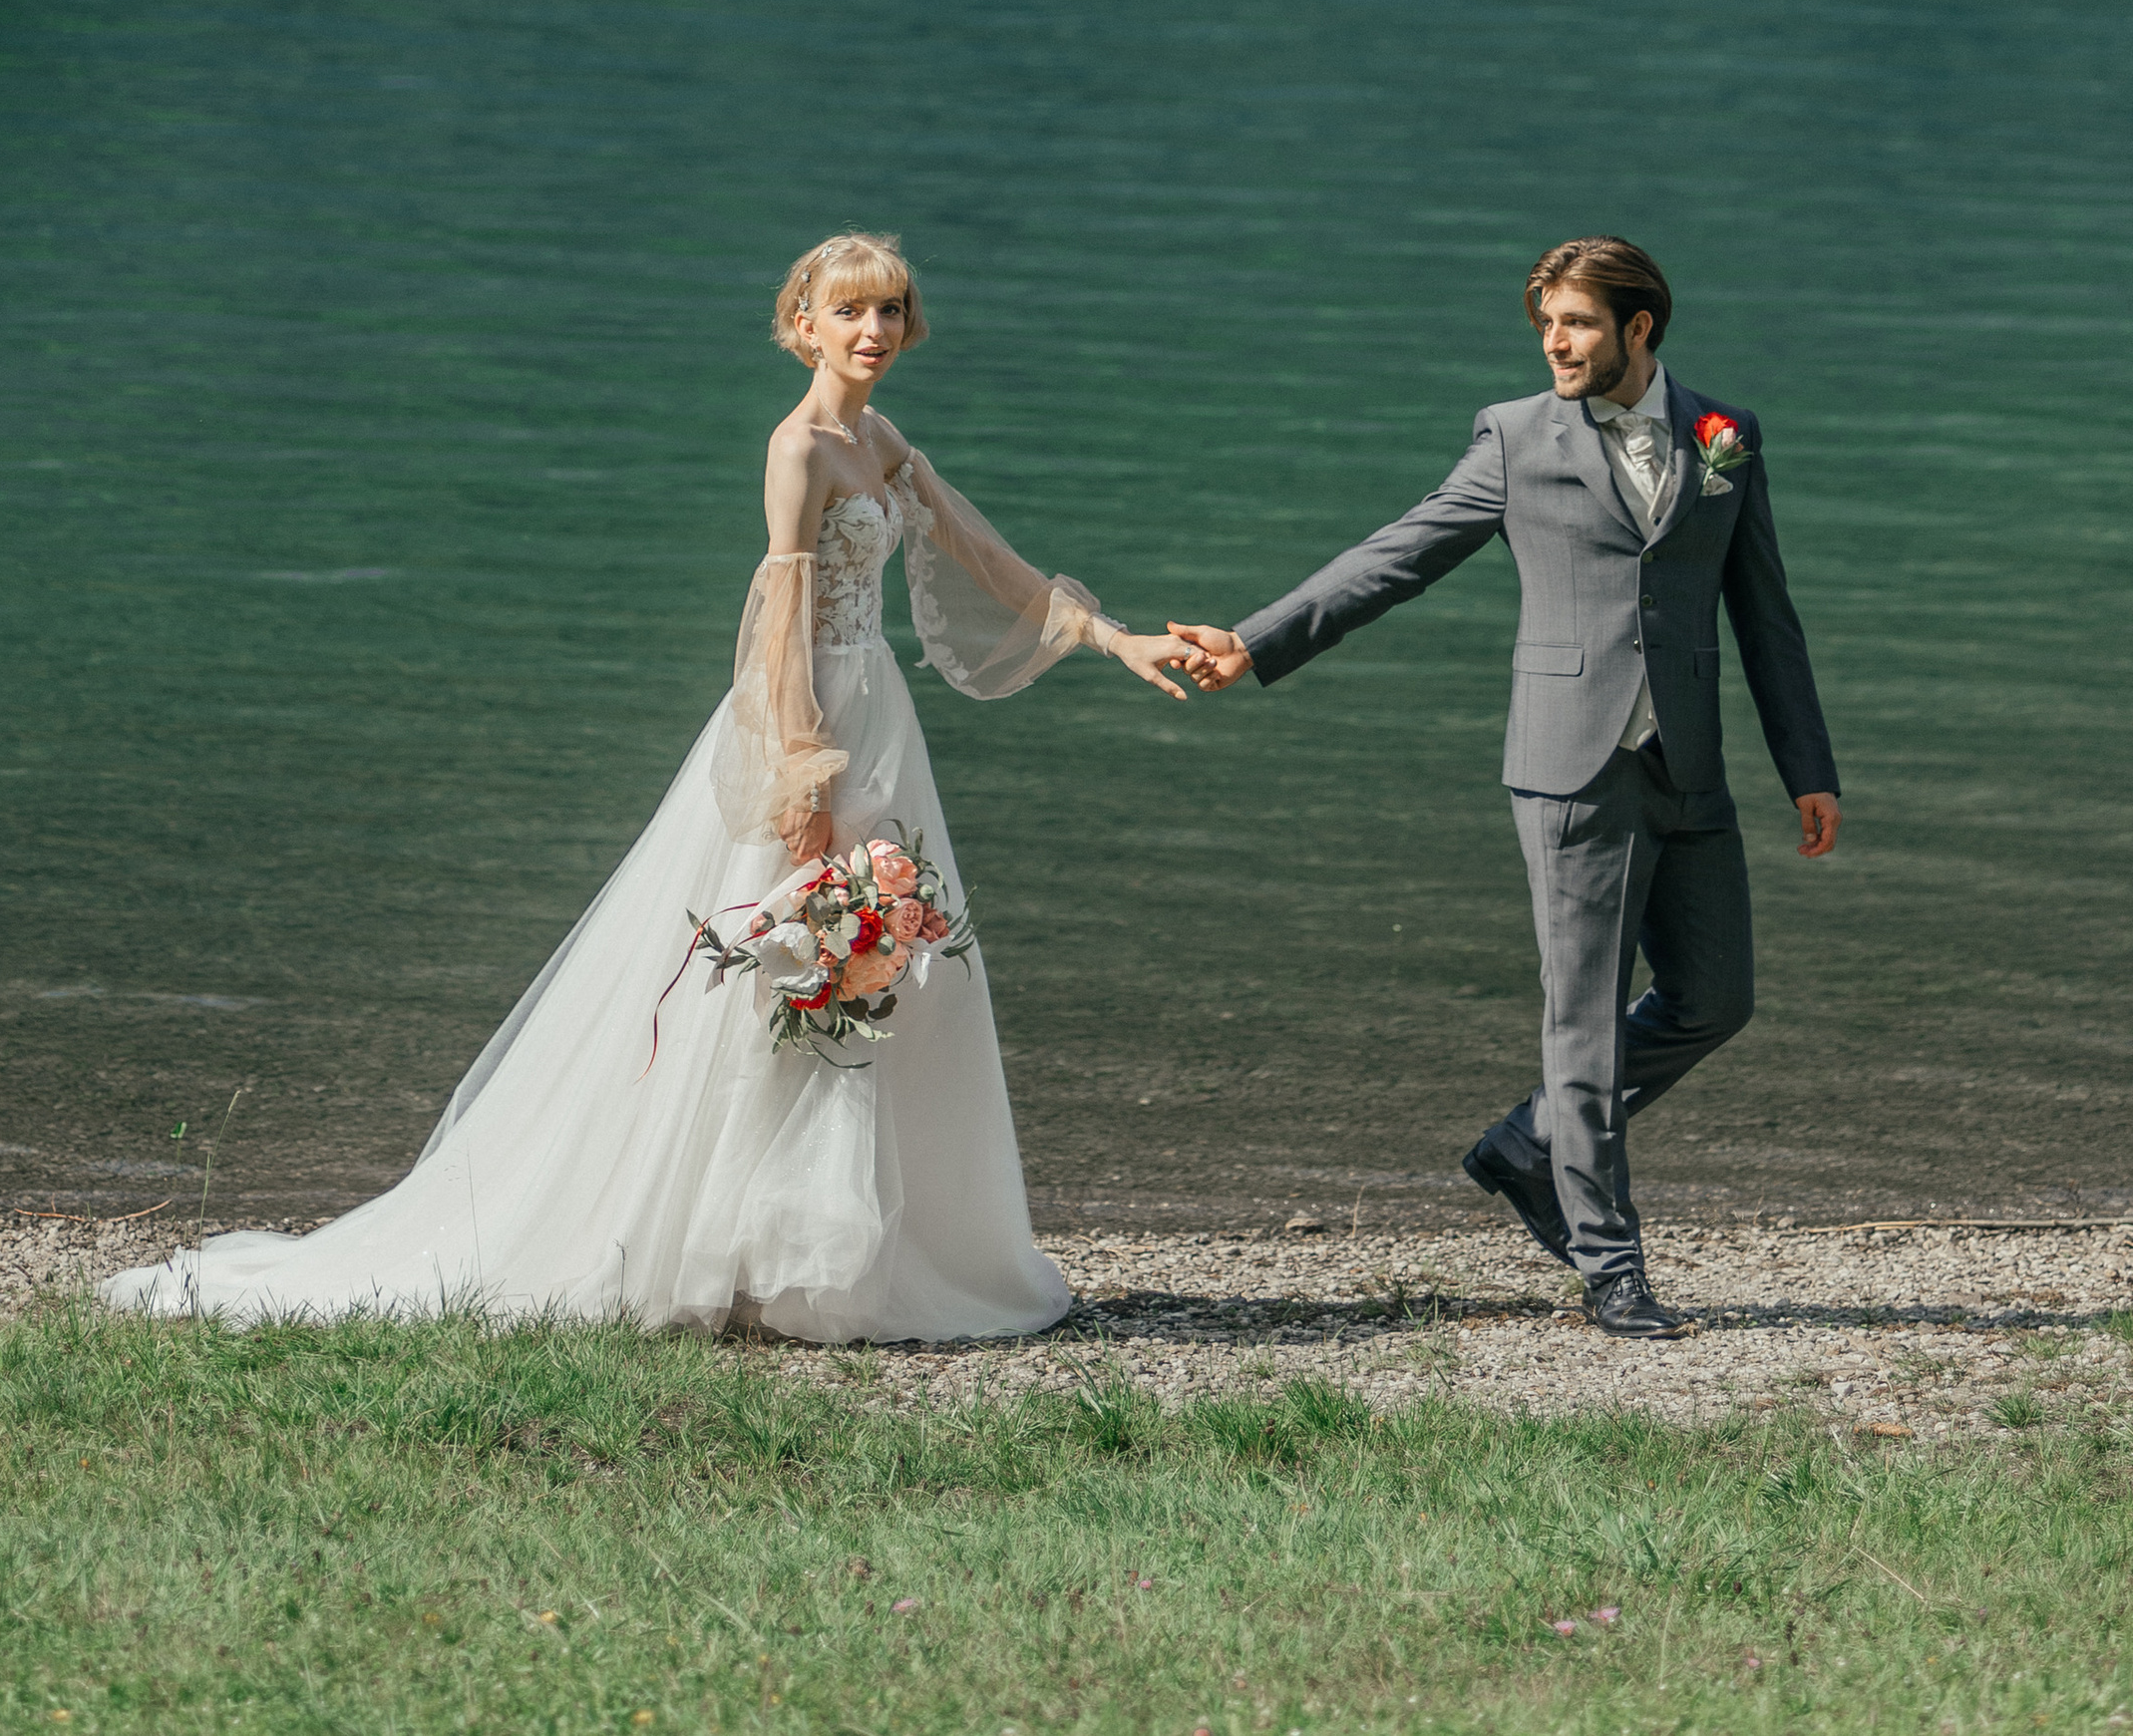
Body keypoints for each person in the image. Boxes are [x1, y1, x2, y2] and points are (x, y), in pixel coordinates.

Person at [106, 230, 1194, 1338]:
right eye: (851, 313)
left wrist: (1116, 641)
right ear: (802, 324)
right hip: (808, 722)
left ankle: (833, 1255)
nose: (874, 333)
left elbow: (978, 551)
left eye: (892, 312)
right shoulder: (800, 449)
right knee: (793, 963)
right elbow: (777, 622)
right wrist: (802, 772)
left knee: (883, 968)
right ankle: (720, 1249)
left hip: (880, 720)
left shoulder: (879, 438)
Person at [1170, 235, 1840, 1341]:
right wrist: (1252, 641)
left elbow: (1764, 615)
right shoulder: (1517, 437)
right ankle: (1608, 1263)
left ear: (1639, 328)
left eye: (1574, 323)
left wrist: (1805, 768)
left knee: (1716, 998)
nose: (1553, 343)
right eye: (1543, 325)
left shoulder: (1724, 436)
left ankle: (1527, 1148)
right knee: (1580, 1023)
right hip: (1570, 769)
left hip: (1690, 766)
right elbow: (1401, 552)